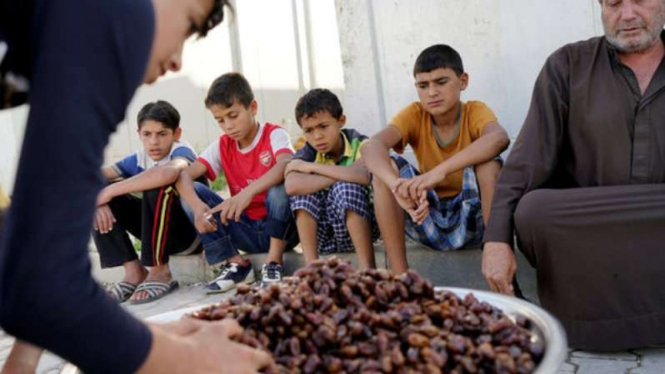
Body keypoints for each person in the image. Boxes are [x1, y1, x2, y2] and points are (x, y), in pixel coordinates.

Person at [0, 0, 273, 373]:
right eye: (189, 24)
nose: (177, 60)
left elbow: (30, 274)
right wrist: (189, 358)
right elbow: (49, 283)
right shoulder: (112, 15)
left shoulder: (65, 26)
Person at [482, 0, 665, 351]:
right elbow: (526, 161)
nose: (626, 14)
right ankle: (591, 324)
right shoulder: (567, 65)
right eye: (613, 3)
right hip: (589, 232)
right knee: (535, 211)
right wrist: (496, 237)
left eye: (639, 0)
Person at [362, 44, 510, 274]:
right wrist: (397, 186)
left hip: (472, 218)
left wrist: (439, 171)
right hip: (423, 212)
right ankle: (401, 277)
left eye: (441, 82)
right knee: (386, 170)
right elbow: (371, 146)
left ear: (463, 81)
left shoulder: (474, 111)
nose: (432, 92)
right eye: (423, 85)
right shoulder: (415, 113)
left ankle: (496, 262)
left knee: (489, 164)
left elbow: (499, 138)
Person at [177, 72, 298, 292]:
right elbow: (184, 176)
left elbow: (285, 164)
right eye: (220, 120)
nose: (228, 126)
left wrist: (246, 194)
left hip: (282, 228)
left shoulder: (274, 134)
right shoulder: (222, 145)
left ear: (252, 107)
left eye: (233, 115)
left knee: (280, 187)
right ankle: (236, 264)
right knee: (192, 192)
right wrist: (197, 209)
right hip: (246, 230)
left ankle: (273, 263)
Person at [94, 100, 201, 304]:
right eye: (147, 134)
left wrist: (109, 191)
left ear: (176, 134)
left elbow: (167, 173)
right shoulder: (139, 158)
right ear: (139, 134)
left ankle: (160, 271)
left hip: (189, 236)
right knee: (96, 189)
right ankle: (134, 271)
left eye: (162, 134)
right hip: (158, 235)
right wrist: (99, 199)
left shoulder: (182, 151)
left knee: (157, 184)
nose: (154, 142)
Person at [285, 88, 378, 269]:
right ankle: (312, 269)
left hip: (361, 229)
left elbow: (362, 175)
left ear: (341, 121)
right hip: (325, 235)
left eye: (323, 127)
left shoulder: (360, 143)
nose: (317, 136)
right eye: (309, 131)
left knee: (345, 187)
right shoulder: (308, 151)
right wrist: (344, 173)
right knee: (302, 193)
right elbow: (291, 186)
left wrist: (311, 168)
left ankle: (367, 268)